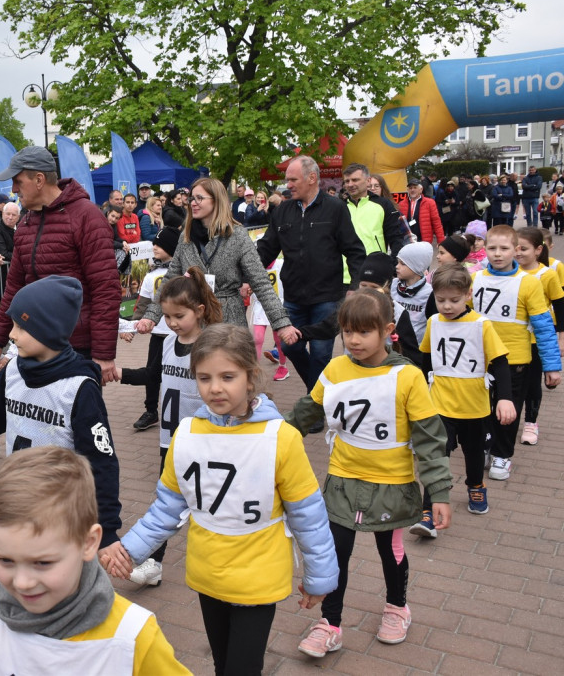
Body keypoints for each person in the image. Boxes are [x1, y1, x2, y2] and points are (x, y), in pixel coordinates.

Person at [105, 324, 338, 674]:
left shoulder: (281, 438)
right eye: (204, 378)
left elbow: (308, 514)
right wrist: (130, 550)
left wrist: (320, 577)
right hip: (208, 572)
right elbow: (167, 507)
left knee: (242, 669)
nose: (215, 388)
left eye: (227, 376)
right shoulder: (186, 434)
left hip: (258, 576)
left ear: (250, 376)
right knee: (221, 663)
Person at [287, 290, 452, 654]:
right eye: (347, 332)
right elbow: (306, 412)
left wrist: (438, 492)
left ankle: (397, 606)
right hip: (342, 480)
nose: (353, 340)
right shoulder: (334, 369)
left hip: (392, 485)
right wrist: (271, 439)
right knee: (336, 551)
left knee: (389, 549)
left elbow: (429, 439)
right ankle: (330, 622)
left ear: (388, 330)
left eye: (363, 332)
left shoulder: (408, 377)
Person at [0, 447, 188, 676]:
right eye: (6, 560)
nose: (23, 582)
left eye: (42, 563)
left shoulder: (133, 638)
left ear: (88, 543)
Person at [0, 276, 122, 551]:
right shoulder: (13, 371)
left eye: (22, 326)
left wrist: (108, 530)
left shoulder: (79, 388)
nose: (11, 334)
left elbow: (101, 462)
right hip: (18, 501)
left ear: (49, 330)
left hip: (62, 512)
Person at [119, 268, 224, 587]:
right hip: (170, 439)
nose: (172, 322)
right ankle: (155, 562)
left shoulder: (210, 346)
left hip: (205, 440)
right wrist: (117, 374)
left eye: (179, 315)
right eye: (167, 316)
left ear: (199, 311)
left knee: (212, 501)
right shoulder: (164, 342)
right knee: (166, 499)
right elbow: (153, 376)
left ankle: (223, 560)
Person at [0, 146, 121, 384]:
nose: (14, 190)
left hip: (76, 348)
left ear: (39, 179)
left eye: (18, 181)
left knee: (76, 416)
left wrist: (103, 354)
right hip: (33, 343)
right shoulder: (26, 223)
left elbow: (105, 289)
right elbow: (14, 287)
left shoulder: (87, 216)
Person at [137, 177, 296, 343]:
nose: (193, 203)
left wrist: (281, 323)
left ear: (216, 200)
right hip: (194, 322)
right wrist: (151, 316)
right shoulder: (186, 237)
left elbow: (261, 282)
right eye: (192, 198)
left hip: (229, 322)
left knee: (228, 367)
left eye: (200, 198)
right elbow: (170, 279)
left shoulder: (237, 235)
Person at [257, 155, 367, 394]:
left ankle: (314, 404)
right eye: (287, 180)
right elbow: (266, 249)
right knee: (289, 346)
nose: (288, 185)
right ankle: (318, 392)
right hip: (294, 297)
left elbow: (355, 251)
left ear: (312, 178)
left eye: (293, 179)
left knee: (320, 354)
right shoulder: (282, 211)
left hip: (326, 297)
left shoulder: (335, 208)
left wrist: (355, 286)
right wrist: (245, 274)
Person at [414, 264, 513, 525]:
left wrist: (505, 397)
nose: (446, 306)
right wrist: (420, 390)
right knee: (437, 454)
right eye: (440, 300)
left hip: (474, 405)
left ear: (468, 295)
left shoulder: (481, 325)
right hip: (440, 403)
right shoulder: (433, 321)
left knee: (474, 453)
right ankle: (428, 508)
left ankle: (476, 486)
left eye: (454, 300)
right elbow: (427, 358)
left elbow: (500, 362)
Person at [472, 225, 561, 480]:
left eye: (505, 248)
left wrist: (552, 366)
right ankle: (487, 446)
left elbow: (544, 327)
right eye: (492, 248)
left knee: (508, 411)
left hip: (516, 360)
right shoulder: (475, 278)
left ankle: (502, 455)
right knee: (482, 410)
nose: (498, 254)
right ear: (484, 248)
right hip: (480, 359)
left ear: (516, 250)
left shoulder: (529, 283)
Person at [514, 227, 564, 447]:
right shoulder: (508, 272)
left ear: (538, 250)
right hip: (512, 340)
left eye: (523, 248)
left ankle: (531, 422)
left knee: (533, 383)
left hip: (537, 340)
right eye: (514, 247)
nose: (518, 253)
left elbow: (560, 308)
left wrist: (561, 338)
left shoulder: (548, 274)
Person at [127, 226, 181, 431]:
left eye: (159, 244)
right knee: (153, 373)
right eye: (154, 244)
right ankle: (151, 411)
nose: (154, 247)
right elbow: (143, 305)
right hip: (158, 333)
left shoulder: (184, 272)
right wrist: (131, 328)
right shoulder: (151, 275)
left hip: (180, 334)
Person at [390, 242, 435, 369]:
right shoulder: (392, 285)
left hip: (415, 350)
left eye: (403, 264)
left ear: (417, 266)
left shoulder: (429, 293)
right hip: (392, 347)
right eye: (398, 262)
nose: (397, 267)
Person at [399, 178, 444, 243]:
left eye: (415, 187)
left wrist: (441, 241)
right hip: (407, 240)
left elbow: (436, 223)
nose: (412, 190)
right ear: (408, 190)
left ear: (421, 189)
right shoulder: (401, 204)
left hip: (424, 240)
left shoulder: (430, 203)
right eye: (410, 188)